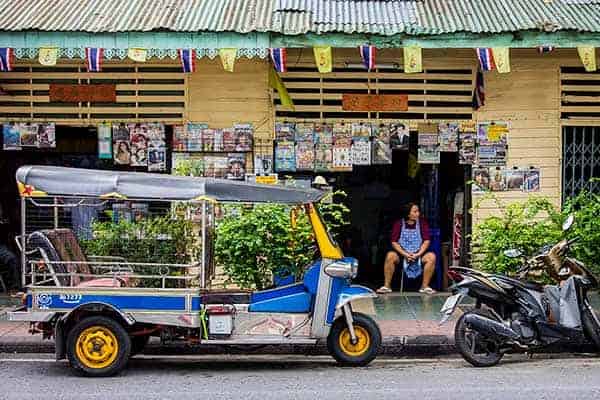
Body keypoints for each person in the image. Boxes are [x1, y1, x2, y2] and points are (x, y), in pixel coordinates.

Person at [377, 203, 437, 295]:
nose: (418, 214)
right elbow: (394, 242)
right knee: (390, 256)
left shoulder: (422, 223)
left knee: (431, 257)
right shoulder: (399, 224)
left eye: (418, 211)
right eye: (415, 211)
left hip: (418, 254)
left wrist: (418, 254)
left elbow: (426, 241)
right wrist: (405, 254)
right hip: (402, 255)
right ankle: (387, 286)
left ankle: (424, 286)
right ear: (408, 214)